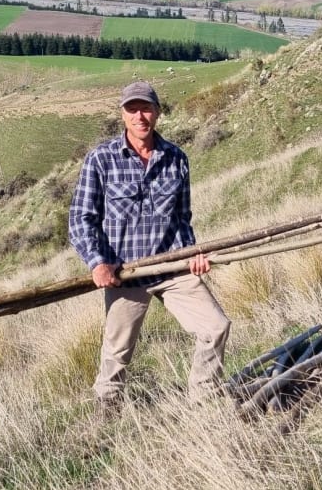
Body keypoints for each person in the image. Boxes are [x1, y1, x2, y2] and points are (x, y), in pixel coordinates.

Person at [69, 80, 231, 408]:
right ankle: (106, 416)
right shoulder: (101, 160)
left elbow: (183, 218)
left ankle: (204, 402)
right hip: (125, 273)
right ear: (123, 115)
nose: (140, 116)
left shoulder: (176, 158)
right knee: (116, 354)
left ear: (157, 112)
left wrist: (193, 254)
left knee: (216, 327)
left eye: (146, 108)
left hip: (173, 267)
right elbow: (80, 219)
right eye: (132, 109)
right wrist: (97, 262)